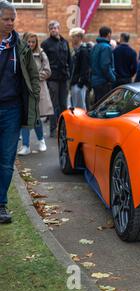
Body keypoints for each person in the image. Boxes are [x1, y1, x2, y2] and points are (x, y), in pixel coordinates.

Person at [0, 0, 40, 223]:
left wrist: (34, 95)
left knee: (6, 160)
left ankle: (1, 205)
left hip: (12, 110)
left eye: (12, 19)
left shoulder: (20, 46)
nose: (10, 23)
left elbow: (33, 76)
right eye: (6, 19)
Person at [17, 32, 53, 156]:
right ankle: (25, 145)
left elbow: (47, 71)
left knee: (36, 117)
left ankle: (41, 140)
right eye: (29, 41)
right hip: (23, 90)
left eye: (33, 42)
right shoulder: (19, 53)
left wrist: (35, 77)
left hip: (37, 89)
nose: (31, 44)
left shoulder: (41, 54)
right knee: (24, 118)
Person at [41, 20, 71, 137]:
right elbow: (43, 61)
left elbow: (69, 60)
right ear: (49, 30)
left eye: (55, 28)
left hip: (64, 77)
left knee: (64, 104)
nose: (53, 30)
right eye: (51, 28)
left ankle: (64, 127)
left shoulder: (65, 42)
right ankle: (53, 129)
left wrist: (70, 74)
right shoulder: (46, 44)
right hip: (52, 77)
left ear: (59, 29)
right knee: (54, 104)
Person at [90, 26, 116, 103]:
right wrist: (112, 78)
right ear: (109, 34)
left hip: (95, 81)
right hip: (103, 82)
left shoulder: (95, 46)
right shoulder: (106, 47)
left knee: (97, 104)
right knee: (103, 106)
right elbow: (105, 66)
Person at [69, 27, 90, 109]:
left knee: (80, 106)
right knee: (75, 105)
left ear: (79, 37)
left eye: (74, 36)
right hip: (74, 82)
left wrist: (80, 82)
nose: (72, 39)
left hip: (79, 83)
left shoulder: (83, 50)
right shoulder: (75, 50)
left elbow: (85, 68)